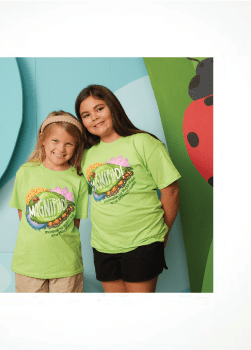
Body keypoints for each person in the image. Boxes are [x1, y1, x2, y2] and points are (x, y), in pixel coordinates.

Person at [75, 85, 180, 293]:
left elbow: (171, 191)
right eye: (86, 115)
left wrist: (162, 235)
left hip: (143, 242)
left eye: (99, 109)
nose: (94, 117)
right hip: (103, 246)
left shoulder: (143, 143)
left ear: (113, 107)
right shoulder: (86, 157)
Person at [9, 111, 89, 293]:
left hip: (67, 267)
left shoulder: (78, 180)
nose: (61, 149)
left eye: (69, 143)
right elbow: (23, 215)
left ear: (76, 146)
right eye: (55, 141)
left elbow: (75, 223)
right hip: (28, 265)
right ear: (42, 139)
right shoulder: (25, 172)